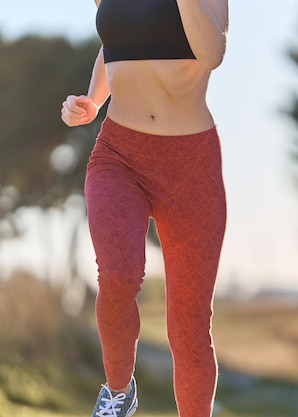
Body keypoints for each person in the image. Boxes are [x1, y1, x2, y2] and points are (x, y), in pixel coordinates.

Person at [60, 0, 229, 416]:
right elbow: (115, 41)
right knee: (117, 274)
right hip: (119, 153)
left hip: (190, 164)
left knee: (189, 327)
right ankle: (118, 394)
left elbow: (212, 54)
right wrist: (92, 100)